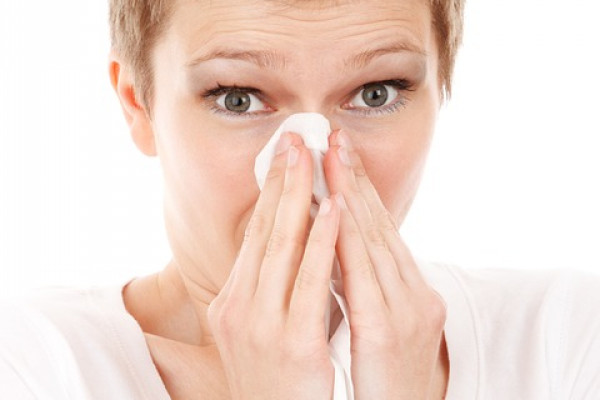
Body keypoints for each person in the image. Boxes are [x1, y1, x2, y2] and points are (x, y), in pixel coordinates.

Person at [1, 0, 599, 399]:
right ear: (139, 104)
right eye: (237, 98)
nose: (311, 166)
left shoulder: (563, 337)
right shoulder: (33, 367)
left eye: (375, 92)